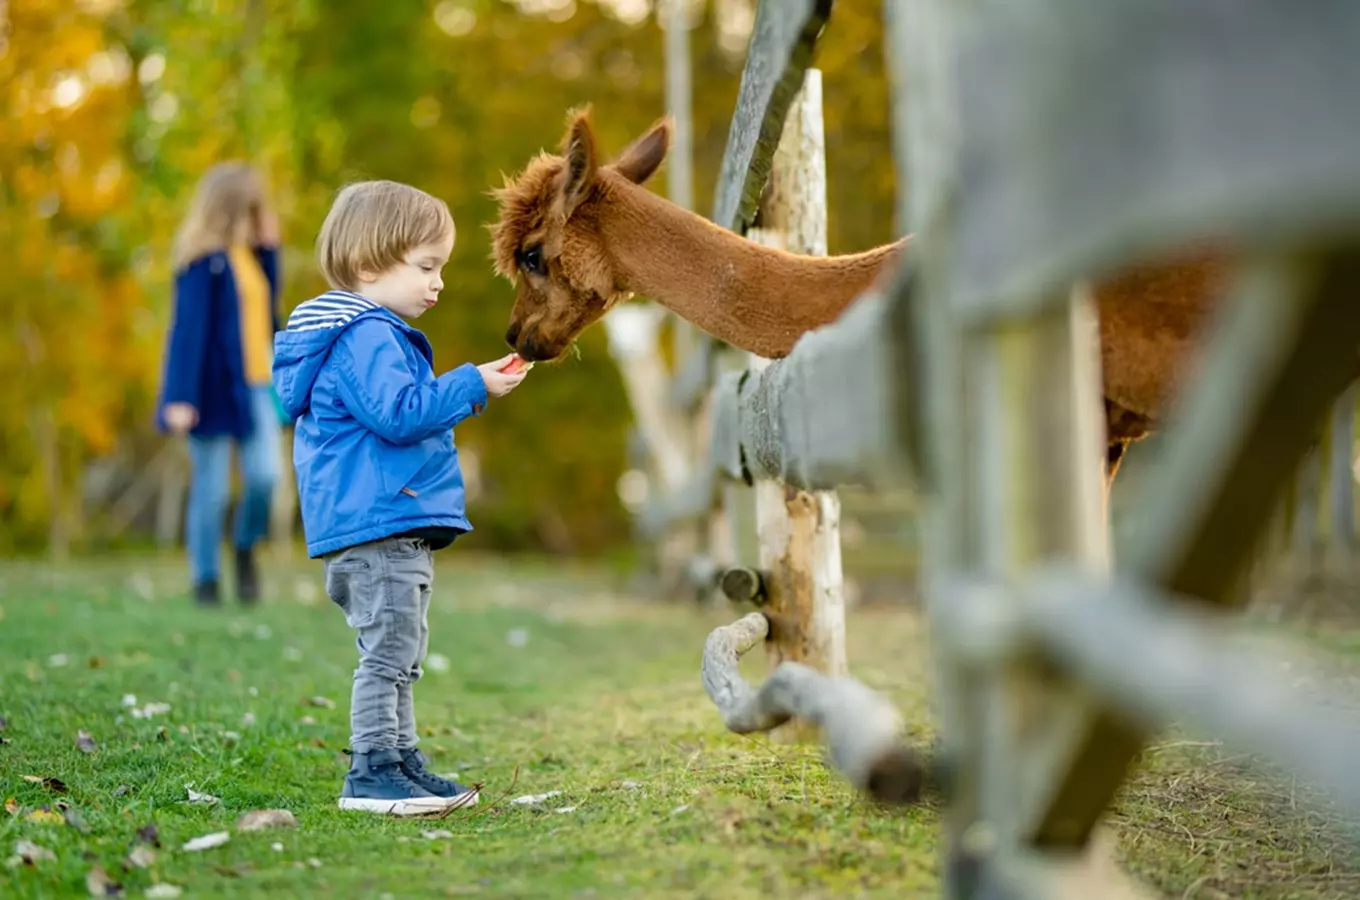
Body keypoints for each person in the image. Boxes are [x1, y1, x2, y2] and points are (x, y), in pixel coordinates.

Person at [272, 179, 527, 815]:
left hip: (387, 521)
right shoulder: (365, 337)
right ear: (368, 265)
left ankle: (401, 759)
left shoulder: (371, 333)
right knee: (388, 651)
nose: (438, 283)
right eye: (426, 266)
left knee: (401, 651)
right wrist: (472, 384)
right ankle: (371, 770)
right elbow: (399, 413)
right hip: (377, 525)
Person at [156, 161, 284, 607]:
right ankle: (206, 581)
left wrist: (271, 251)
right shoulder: (202, 263)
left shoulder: (253, 260)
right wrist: (179, 397)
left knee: (265, 478)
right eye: (254, 207)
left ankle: (245, 546)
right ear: (234, 207)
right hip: (209, 390)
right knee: (209, 491)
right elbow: (186, 333)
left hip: (257, 386)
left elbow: (269, 320)